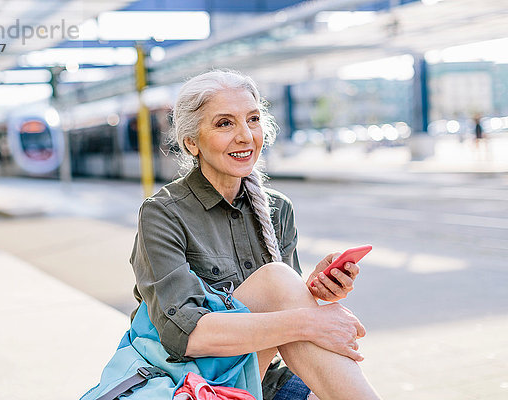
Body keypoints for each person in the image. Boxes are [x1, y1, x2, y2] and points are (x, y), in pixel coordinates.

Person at [129, 69, 381, 400]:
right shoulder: (163, 213)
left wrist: (315, 291)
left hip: (264, 375)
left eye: (253, 119)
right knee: (277, 279)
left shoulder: (278, 209)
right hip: (191, 382)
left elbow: (281, 306)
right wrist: (309, 321)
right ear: (191, 142)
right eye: (224, 123)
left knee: (324, 387)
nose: (246, 136)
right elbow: (189, 336)